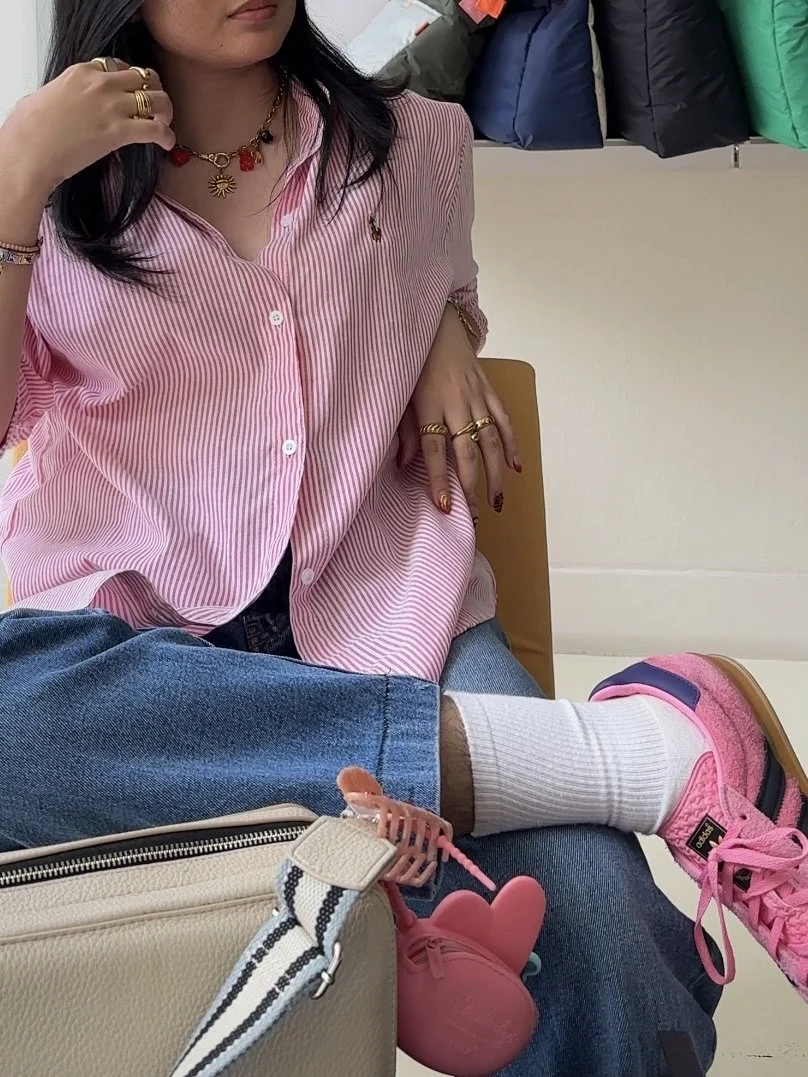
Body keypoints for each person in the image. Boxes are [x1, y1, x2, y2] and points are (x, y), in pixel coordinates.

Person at [0, 2, 805, 1074]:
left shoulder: (415, 140)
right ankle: (639, 755)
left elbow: (435, 286)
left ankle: (421, 803)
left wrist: (444, 334)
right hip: (140, 646)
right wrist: (15, 176)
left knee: (601, 940)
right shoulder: (46, 173)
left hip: (389, 604)